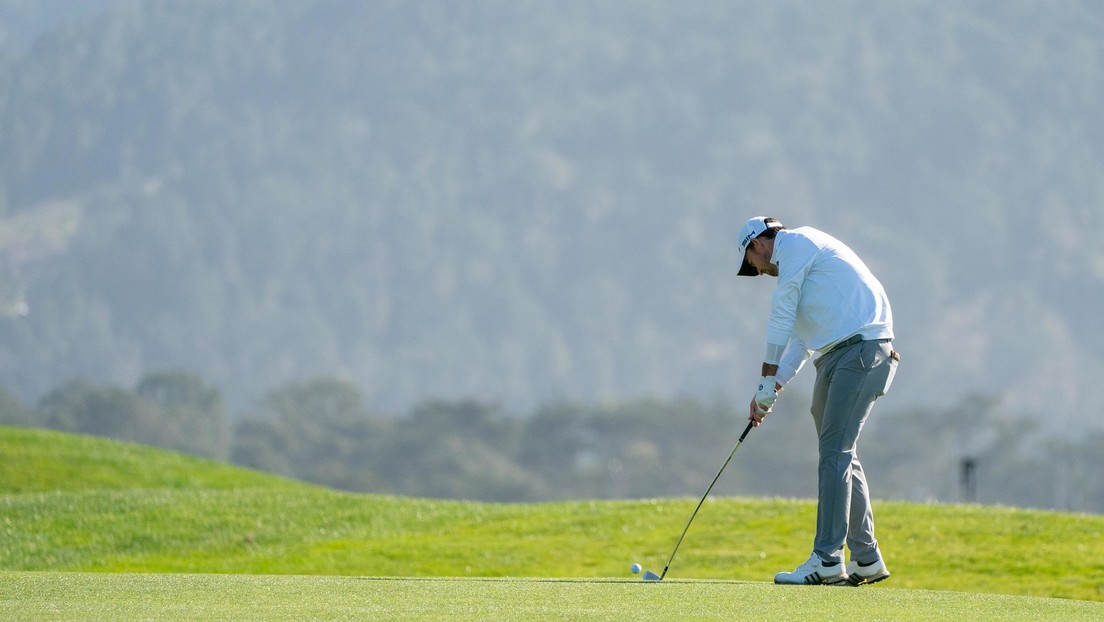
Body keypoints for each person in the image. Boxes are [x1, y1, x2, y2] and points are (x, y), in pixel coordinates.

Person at [735, 216, 899, 586]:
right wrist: (772, 386)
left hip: (861, 351)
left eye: (753, 264)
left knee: (835, 453)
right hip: (838, 355)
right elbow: (801, 341)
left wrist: (764, 377)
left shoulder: (796, 245)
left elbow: (779, 315)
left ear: (757, 244)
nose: (759, 272)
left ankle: (826, 559)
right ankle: (867, 558)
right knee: (841, 453)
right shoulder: (803, 269)